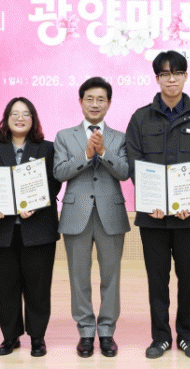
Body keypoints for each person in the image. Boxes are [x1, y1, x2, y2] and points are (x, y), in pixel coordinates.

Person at [125, 50, 190, 360]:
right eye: (165, 74)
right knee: (157, 281)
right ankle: (161, 337)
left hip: (189, 217)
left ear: (185, 76)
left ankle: (188, 337)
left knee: (189, 282)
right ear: (157, 79)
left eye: (176, 73)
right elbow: (135, 162)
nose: (171, 79)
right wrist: (151, 199)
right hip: (153, 217)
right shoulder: (141, 117)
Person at [0, 97, 61, 357]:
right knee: (6, 286)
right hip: (0, 230)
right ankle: (10, 337)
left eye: (26, 114)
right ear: (6, 118)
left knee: (38, 287)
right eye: (14, 113)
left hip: (38, 229)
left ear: (33, 119)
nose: (20, 118)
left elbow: (54, 182)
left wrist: (36, 202)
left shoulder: (47, 148)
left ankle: (37, 337)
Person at [54, 77, 130, 358]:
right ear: (80, 101)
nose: (95, 104)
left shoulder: (120, 137)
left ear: (109, 103)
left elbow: (125, 172)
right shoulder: (64, 136)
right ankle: (86, 331)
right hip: (76, 215)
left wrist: (104, 152)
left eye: (101, 99)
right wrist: (87, 155)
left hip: (111, 214)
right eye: (89, 98)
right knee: (79, 277)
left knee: (111, 276)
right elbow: (59, 172)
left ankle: (107, 331)